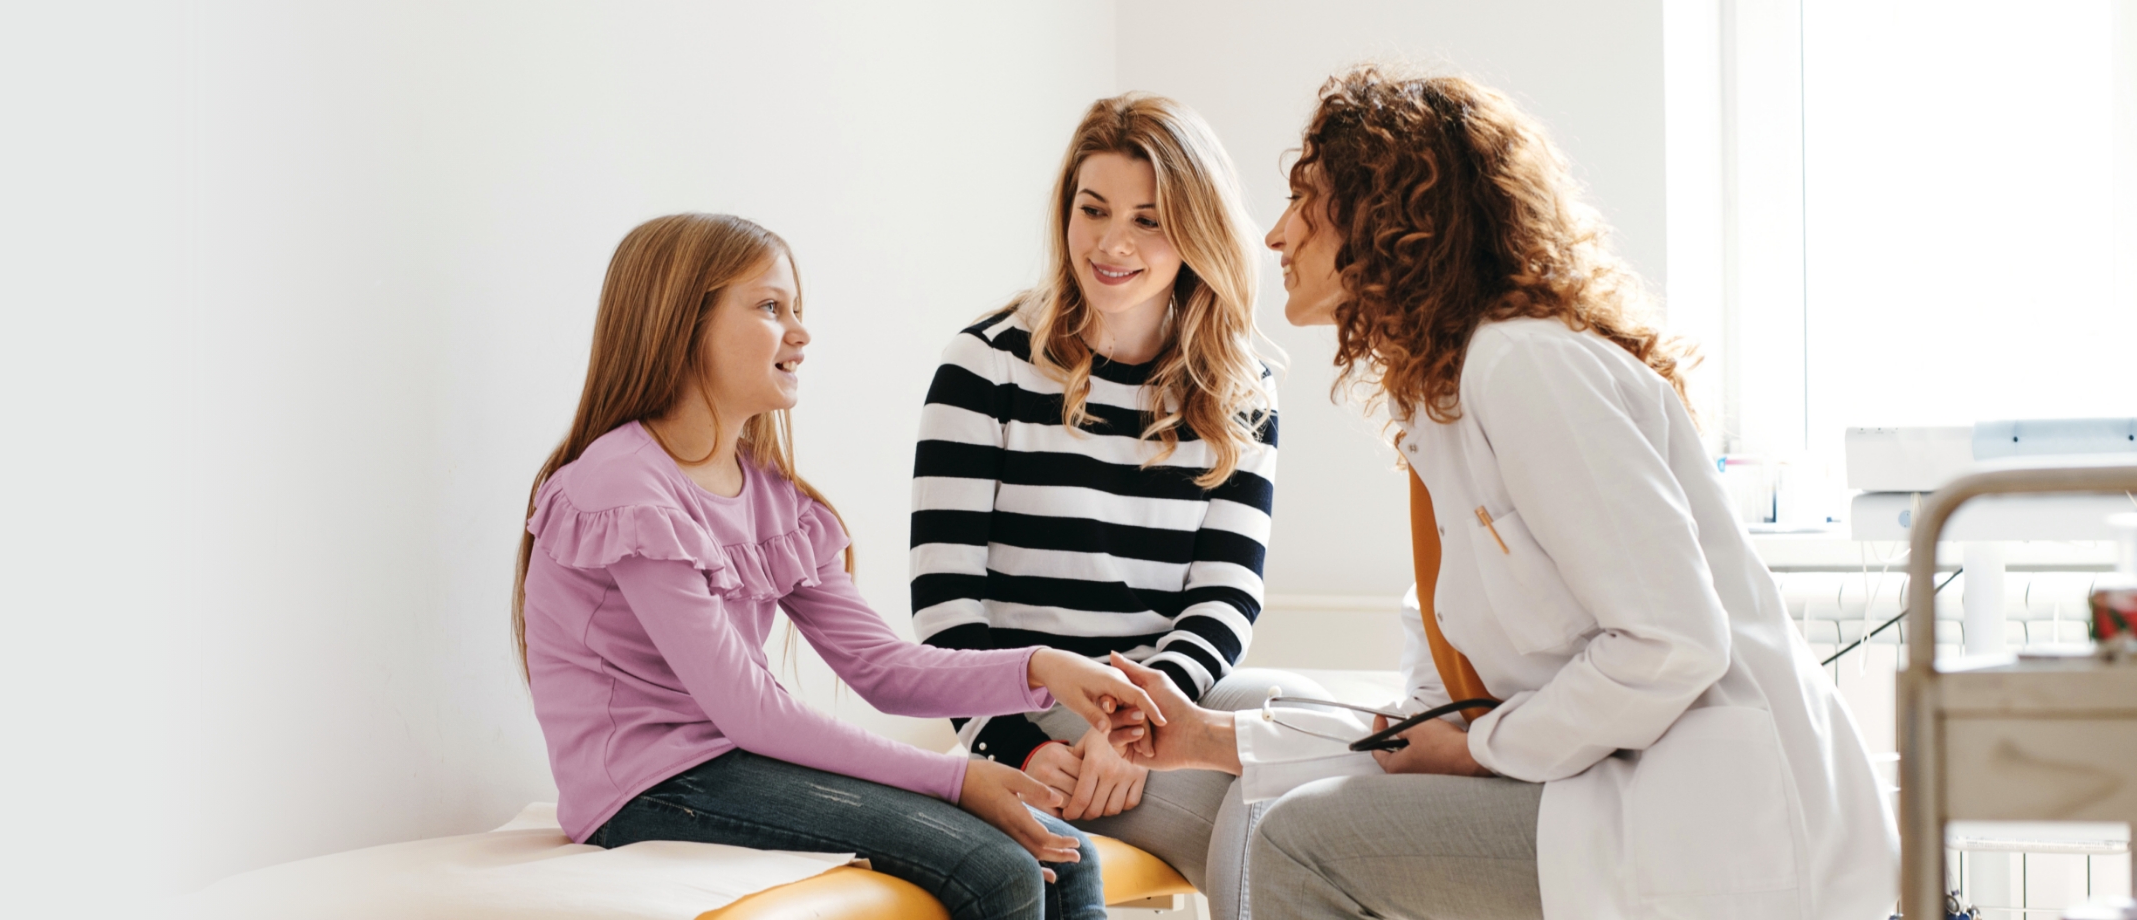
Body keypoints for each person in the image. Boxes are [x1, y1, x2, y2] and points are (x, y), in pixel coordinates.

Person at [1099, 66, 1900, 920]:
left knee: (1297, 842)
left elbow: (1673, 644)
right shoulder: (1443, 410)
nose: (1276, 234)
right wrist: (1203, 739)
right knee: (1297, 830)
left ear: (1385, 216)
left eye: (1308, 199)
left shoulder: (1526, 367)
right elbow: (1423, 727)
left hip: (1722, 827)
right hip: (1614, 805)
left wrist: (1482, 749)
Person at [516, 212, 1171, 920]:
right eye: (771, 308)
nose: (800, 333)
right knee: (1005, 873)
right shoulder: (624, 486)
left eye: (798, 310)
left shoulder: (772, 498)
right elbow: (751, 713)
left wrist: (1041, 667)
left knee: (1067, 861)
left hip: (732, 766)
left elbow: (883, 669)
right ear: (683, 323)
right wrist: (956, 780)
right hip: (644, 791)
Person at [909, 92, 1316, 912]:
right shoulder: (984, 368)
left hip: (1164, 695)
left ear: (1195, 234)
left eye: (1149, 220)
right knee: (1274, 824)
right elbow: (944, 605)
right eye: (1092, 210)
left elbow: (1226, 597)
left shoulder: (1243, 391)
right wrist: (1015, 747)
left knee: (1315, 728)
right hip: (1038, 696)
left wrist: (1142, 719)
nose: (1112, 243)